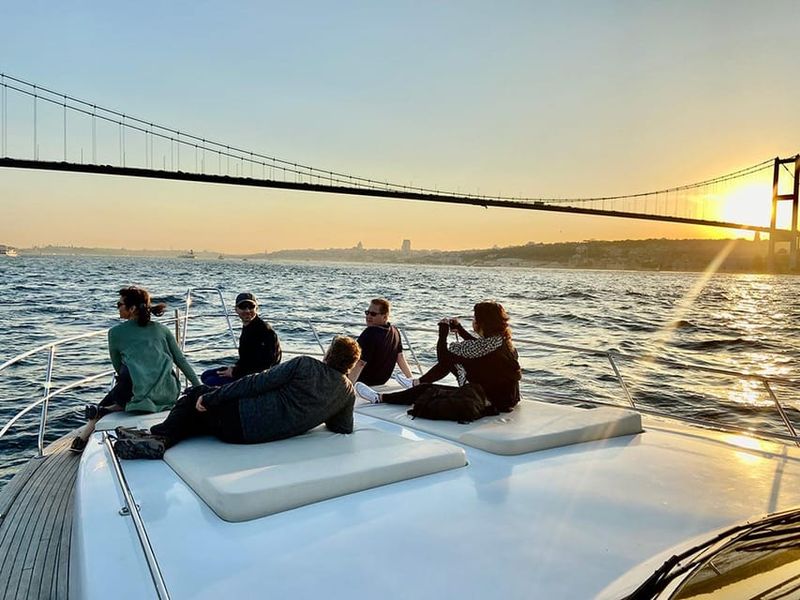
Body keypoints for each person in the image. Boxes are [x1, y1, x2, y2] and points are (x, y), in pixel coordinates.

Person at [113, 336, 361, 459]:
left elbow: (255, 383)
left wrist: (213, 397)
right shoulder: (347, 391)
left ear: (328, 353)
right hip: (254, 435)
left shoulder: (305, 365)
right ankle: (156, 439)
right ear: (350, 365)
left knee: (196, 395)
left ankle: (159, 437)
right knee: (200, 417)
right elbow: (343, 427)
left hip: (242, 421)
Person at [71, 286, 201, 453]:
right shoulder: (162, 329)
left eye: (119, 304)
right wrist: (198, 387)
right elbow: (181, 360)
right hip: (168, 392)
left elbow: (117, 366)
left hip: (134, 393)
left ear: (132, 308)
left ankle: (85, 434)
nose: (117, 307)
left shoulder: (115, 333)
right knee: (130, 383)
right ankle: (104, 411)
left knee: (123, 384)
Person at [355, 301, 521, 413]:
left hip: (488, 400)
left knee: (427, 390)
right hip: (508, 398)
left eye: (474, 318)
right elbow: (479, 348)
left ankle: (380, 398)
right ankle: (415, 382)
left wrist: (442, 333)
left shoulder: (482, 346)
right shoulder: (503, 342)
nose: (473, 321)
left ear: (482, 323)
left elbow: (444, 357)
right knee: (442, 370)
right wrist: (461, 330)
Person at [200, 292, 282, 386]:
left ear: (257, 308)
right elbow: (247, 359)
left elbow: (266, 365)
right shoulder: (248, 327)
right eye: (243, 307)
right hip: (244, 371)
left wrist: (235, 372)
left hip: (259, 379)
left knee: (210, 381)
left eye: (251, 306)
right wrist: (234, 368)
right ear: (236, 310)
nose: (247, 311)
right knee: (205, 375)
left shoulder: (265, 331)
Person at [348, 298, 413, 387]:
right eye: (367, 313)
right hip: (381, 380)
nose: (368, 316)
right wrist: (411, 379)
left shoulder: (369, 333)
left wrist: (348, 387)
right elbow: (400, 357)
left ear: (385, 317)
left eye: (373, 314)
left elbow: (360, 363)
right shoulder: (395, 331)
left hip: (364, 380)